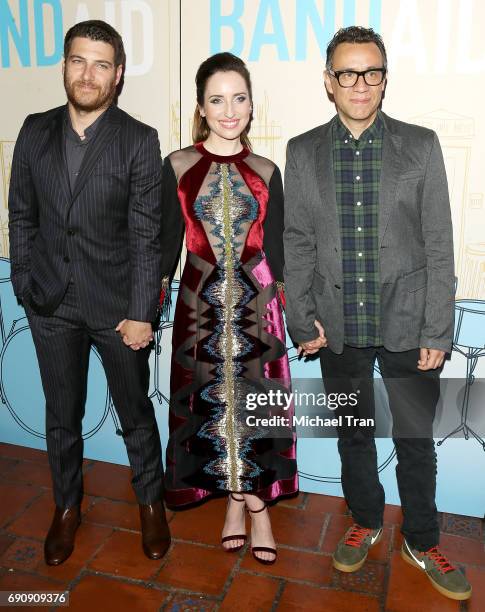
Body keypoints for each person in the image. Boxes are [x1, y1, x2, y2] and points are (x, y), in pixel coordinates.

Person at [283, 26, 471, 601]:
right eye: (347, 73)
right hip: (336, 327)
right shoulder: (302, 149)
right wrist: (300, 317)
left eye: (370, 73)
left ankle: (421, 537)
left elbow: (440, 242)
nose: (359, 84)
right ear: (328, 81)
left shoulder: (421, 144)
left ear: (384, 80)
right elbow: (297, 241)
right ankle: (364, 519)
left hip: (409, 322)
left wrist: (439, 325)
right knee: (353, 434)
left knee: (415, 439)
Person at [8, 20, 170, 565]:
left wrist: (141, 312)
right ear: (64, 66)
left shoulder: (139, 140)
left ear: (118, 74)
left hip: (118, 309)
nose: (89, 74)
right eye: (79, 60)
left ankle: (151, 504)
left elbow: (148, 236)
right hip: (50, 303)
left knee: (135, 412)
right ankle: (67, 508)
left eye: (102, 64)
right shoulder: (33, 130)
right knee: (61, 415)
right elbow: (21, 215)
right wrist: (25, 283)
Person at [159, 52, 297, 565]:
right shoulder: (176, 165)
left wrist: (296, 313)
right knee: (212, 412)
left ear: (252, 104)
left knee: (257, 411)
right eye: (217, 99)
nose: (229, 109)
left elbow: (278, 252)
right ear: (200, 105)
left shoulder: (265, 169)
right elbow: (164, 247)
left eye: (239, 97)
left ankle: (257, 507)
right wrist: (146, 312)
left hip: (258, 311)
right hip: (199, 309)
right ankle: (233, 506)